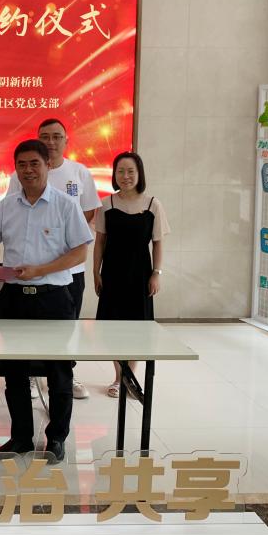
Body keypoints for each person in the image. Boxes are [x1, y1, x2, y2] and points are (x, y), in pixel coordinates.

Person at [0, 139, 92, 463]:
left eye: (34, 163)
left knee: (59, 372)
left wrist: (40, 270)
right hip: (14, 299)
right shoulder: (7, 205)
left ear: (47, 165)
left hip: (53, 299)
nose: (28, 170)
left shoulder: (65, 205)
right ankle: (21, 437)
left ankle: (56, 438)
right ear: (15, 169)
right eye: (22, 165)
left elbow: (79, 252)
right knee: (14, 372)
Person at [7, 118, 102, 400]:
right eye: (45, 136)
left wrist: (66, 233)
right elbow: (15, 210)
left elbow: (88, 211)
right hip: (30, 273)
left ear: (66, 140)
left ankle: (65, 374)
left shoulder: (79, 172)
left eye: (56, 136)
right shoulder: (20, 175)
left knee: (65, 328)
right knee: (26, 334)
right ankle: (32, 375)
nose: (51, 141)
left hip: (69, 271)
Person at [93, 151, 170, 397]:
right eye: (120, 171)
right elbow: (100, 242)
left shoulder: (153, 204)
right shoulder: (106, 204)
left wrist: (156, 273)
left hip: (140, 275)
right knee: (113, 328)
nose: (125, 176)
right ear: (114, 175)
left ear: (139, 174)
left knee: (138, 328)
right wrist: (96, 272)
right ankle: (119, 378)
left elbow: (158, 243)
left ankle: (130, 377)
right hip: (112, 274)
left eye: (130, 171)